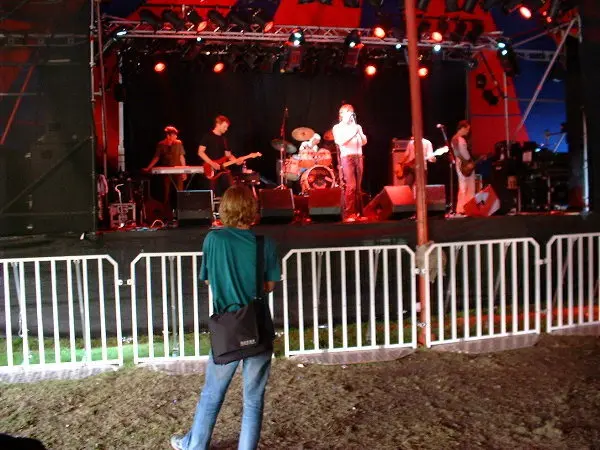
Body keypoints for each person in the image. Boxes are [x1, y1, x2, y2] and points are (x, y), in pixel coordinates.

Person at [170, 184, 281, 450]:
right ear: (252, 208)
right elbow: (269, 286)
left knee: (212, 393)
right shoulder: (264, 243)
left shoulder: (213, 239)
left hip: (227, 328)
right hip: (256, 326)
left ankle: (194, 445)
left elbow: (207, 279)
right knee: (253, 399)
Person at [332, 104, 367, 222]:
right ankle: (349, 213)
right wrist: (353, 132)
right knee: (351, 186)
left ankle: (359, 213)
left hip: (359, 157)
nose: (350, 114)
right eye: (347, 112)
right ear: (341, 114)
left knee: (358, 187)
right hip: (347, 158)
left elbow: (364, 141)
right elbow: (340, 141)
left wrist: (359, 131)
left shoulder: (357, 126)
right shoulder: (338, 127)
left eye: (351, 112)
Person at [198, 115, 240, 198]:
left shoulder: (224, 139)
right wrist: (212, 163)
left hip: (222, 170)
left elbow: (228, 155)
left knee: (229, 189)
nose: (226, 129)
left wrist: (236, 160)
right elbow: (200, 152)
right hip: (211, 170)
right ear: (218, 124)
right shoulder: (207, 136)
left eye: (227, 127)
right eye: (224, 126)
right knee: (213, 194)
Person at [145, 126, 187, 206]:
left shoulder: (178, 143)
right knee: (166, 192)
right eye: (174, 135)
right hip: (166, 172)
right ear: (168, 136)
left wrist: (184, 171)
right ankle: (166, 209)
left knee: (180, 191)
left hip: (178, 171)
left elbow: (182, 157)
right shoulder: (161, 144)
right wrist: (148, 167)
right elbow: (156, 157)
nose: (176, 137)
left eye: (176, 135)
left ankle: (182, 208)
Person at [452, 120, 475, 215]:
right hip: (462, 165)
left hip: (468, 164)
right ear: (462, 128)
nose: (468, 131)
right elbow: (457, 153)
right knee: (463, 187)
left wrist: (471, 162)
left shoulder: (462, 139)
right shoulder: (455, 139)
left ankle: (470, 207)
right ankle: (461, 208)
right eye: (467, 129)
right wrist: (466, 162)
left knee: (471, 187)